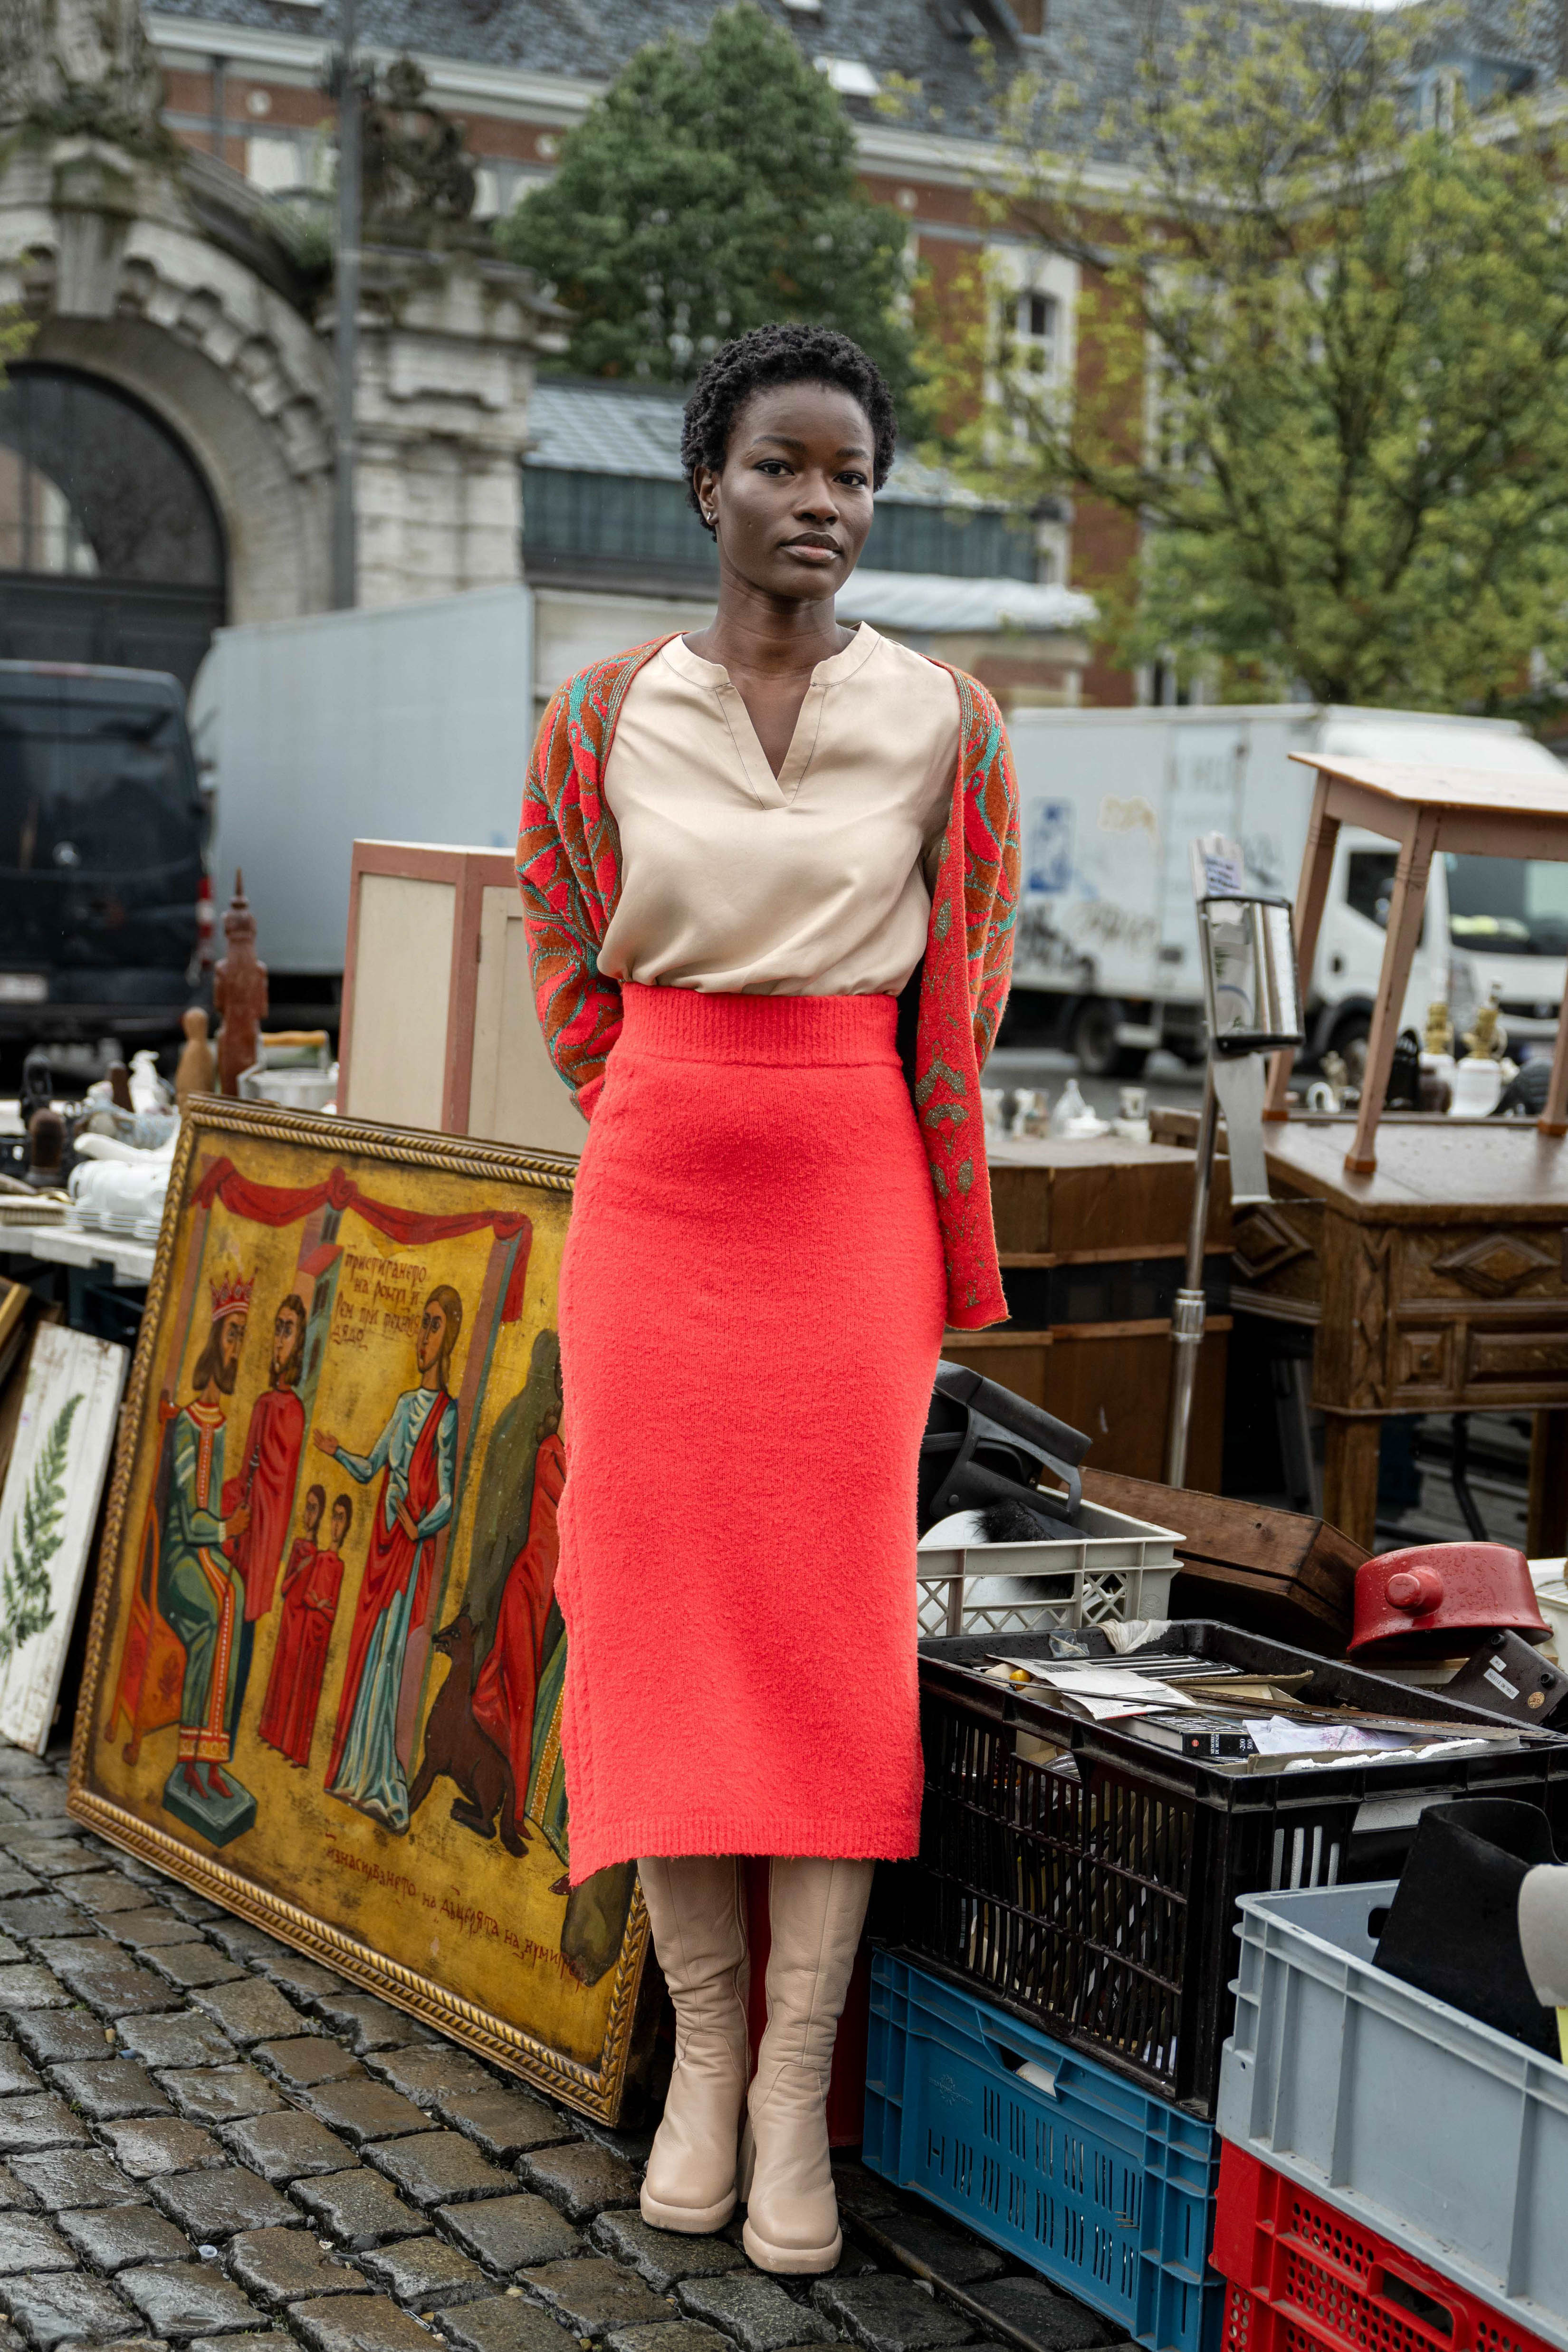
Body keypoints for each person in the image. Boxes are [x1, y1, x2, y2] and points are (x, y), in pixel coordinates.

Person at [517, 323, 1018, 2275]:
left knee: (826, 1629)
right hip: (658, 1186)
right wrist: (674, 1092)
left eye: (852, 474)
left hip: (851, 1199)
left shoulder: (952, 721)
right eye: (784, 465)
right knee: (649, 1611)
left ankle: (795, 2090)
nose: (823, 502)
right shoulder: (596, 715)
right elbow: (567, 951)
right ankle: (707, 2064)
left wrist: (810, 1104)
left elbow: (969, 980)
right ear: (706, 484)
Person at [313, 1287, 460, 1830]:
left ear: (450, 1338)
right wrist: (337, 1453)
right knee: (370, 1648)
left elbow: (448, 1498)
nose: (423, 1337)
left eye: (434, 1326)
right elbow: (371, 1467)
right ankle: (358, 1769)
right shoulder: (403, 1406)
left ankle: (381, 1774)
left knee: (393, 1654)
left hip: (408, 1551)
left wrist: (419, 1528)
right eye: (423, 1324)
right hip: (382, 1549)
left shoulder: (447, 1415)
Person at [157, 1272, 255, 1796]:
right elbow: (188, 1517)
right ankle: (192, 1755)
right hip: (179, 1560)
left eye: (243, 1336)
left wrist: (229, 1518)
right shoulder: (189, 1425)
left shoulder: (219, 1423)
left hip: (206, 1554)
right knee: (218, 1610)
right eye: (233, 1334)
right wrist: (225, 1526)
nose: (238, 1347)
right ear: (215, 1340)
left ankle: (210, 1756)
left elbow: (212, 1505)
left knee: (232, 1596)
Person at [471, 1343, 564, 1812]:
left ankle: (511, 1801)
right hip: (527, 1587)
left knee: (522, 1696)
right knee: (520, 1697)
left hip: (547, 1595)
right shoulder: (551, 1452)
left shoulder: (573, 1454)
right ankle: (517, 1807)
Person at [224, 1291, 307, 1728]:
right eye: (277, 1328)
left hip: (266, 1538)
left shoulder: (293, 1412)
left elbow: (282, 1489)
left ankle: (231, 1728)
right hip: (245, 1528)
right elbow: (246, 1472)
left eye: (288, 1330)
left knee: (246, 1628)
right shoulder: (262, 1405)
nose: (279, 1339)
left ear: (300, 1341)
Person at [257, 1485, 346, 1766]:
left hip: (309, 1627)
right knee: (281, 1674)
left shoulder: (329, 1562)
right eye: (308, 1508)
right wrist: (300, 1572)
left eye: (315, 1509)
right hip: (292, 1618)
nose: (310, 1515)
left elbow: (328, 1605)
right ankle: (271, 1733)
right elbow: (288, 1589)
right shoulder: (305, 1550)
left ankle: (292, 1746)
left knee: (301, 1686)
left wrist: (318, 1605)